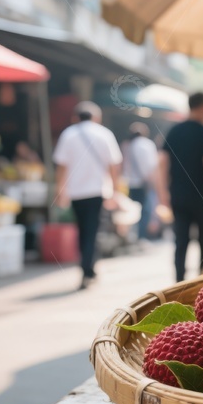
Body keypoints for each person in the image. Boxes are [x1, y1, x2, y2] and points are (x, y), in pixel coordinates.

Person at [53, 101, 122, 290]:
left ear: (75, 117)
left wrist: (60, 190)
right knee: (92, 230)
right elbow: (113, 165)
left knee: (82, 230)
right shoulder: (103, 133)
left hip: (75, 192)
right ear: (96, 117)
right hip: (97, 191)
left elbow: (61, 166)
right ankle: (88, 269)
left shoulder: (68, 134)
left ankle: (87, 268)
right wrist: (115, 191)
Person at [158, 92, 203, 282]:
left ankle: (178, 283)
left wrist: (162, 192)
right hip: (202, 197)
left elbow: (162, 163)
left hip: (178, 196)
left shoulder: (174, 130)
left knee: (181, 242)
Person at [122, 122, 159, 240]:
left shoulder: (127, 145)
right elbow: (151, 166)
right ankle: (141, 236)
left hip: (130, 183)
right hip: (144, 183)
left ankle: (131, 237)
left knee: (133, 210)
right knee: (145, 210)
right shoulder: (147, 144)